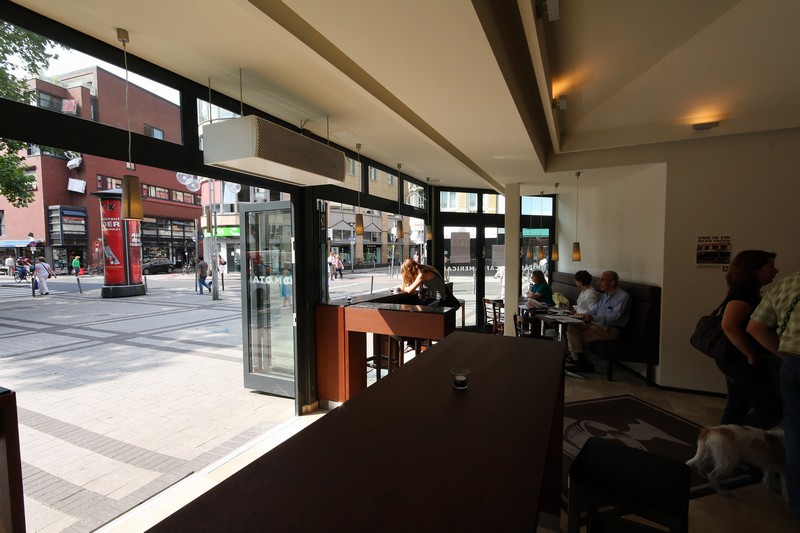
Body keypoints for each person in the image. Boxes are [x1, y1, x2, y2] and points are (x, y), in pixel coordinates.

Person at [747, 270, 800, 522]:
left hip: (793, 364)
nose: (776, 270)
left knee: (795, 438)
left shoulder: (788, 283)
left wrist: (785, 356)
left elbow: (755, 327)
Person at [710, 250, 782, 430]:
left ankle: (725, 439)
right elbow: (729, 325)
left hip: (735, 359)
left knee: (737, 406)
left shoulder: (745, 293)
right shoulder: (743, 295)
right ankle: (731, 436)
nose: (776, 271)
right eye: (770, 266)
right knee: (771, 413)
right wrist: (751, 355)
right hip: (740, 361)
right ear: (753, 270)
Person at [566, 271, 631, 373]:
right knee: (572, 327)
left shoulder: (623, 297)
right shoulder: (606, 296)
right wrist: (582, 315)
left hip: (611, 329)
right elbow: (595, 309)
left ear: (612, 282)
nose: (598, 282)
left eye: (602, 280)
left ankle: (582, 363)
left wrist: (593, 318)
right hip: (598, 325)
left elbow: (616, 316)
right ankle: (581, 361)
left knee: (580, 335)